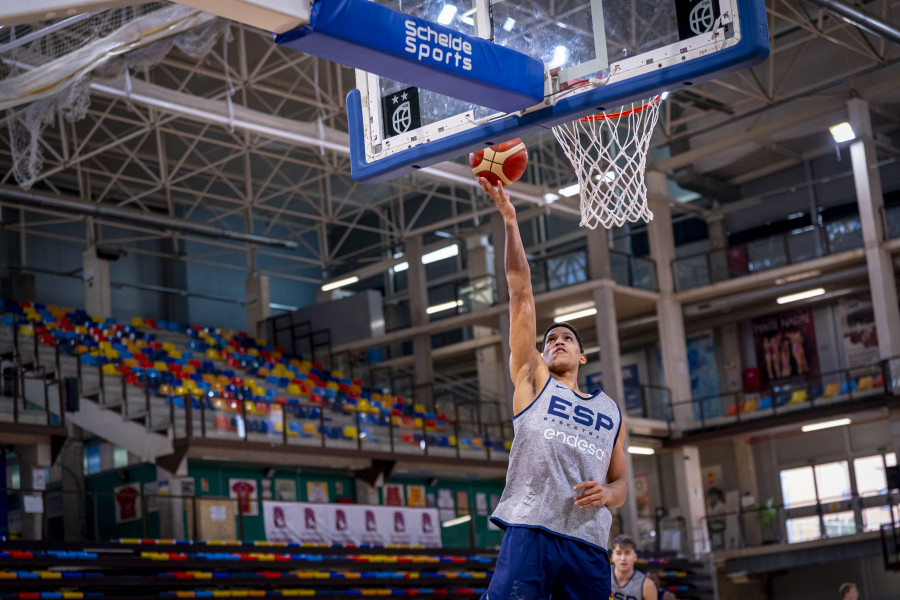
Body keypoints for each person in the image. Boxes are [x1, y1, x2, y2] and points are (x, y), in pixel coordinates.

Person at [477, 177, 628, 600]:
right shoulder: (533, 381)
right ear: (541, 356)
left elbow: (620, 484)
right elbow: (520, 291)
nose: (557, 340)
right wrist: (509, 220)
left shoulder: (609, 410)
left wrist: (608, 493)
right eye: (550, 340)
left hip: (587, 542)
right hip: (531, 529)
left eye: (568, 339)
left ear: (582, 357)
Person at [610, 535, 657, 600]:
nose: (623, 558)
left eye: (627, 553)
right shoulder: (602, 575)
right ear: (612, 557)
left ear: (635, 557)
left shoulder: (647, 585)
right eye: (618, 553)